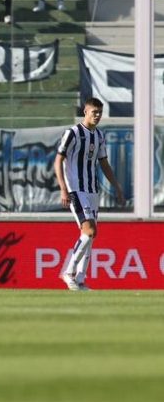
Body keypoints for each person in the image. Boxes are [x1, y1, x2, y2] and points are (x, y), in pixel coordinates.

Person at [54, 97, 124, 291]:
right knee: (89, 231)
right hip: (76, 189)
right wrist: (63, 188)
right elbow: (58, 160)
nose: (97, 116)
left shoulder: (99, 136)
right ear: (85, 111)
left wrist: (117, 186)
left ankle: (81, 280)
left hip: (92, 189)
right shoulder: (73, 133)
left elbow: (104, 163)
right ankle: (68, 273)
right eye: (94, 112)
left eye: (100, 112)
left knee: (91, 236)